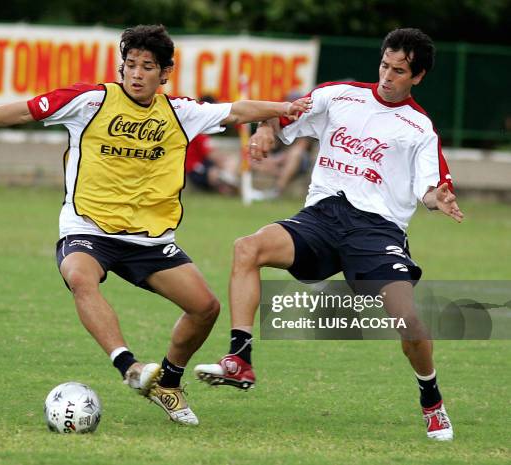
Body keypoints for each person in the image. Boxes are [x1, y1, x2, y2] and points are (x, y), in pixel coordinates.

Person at [0, 24, 310, 426]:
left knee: (205, 307)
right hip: (87, 228)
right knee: (80, 276)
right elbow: (25, 109)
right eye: (131, 65)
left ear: (165, 73)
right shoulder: (89, 101)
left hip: (150, 239)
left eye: (147, 67)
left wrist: (282, 110)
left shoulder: (180, 112)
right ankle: (131, 368)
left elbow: (238, 110)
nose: (136, 73)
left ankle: (168, 384)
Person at [195, 28, 463, 440]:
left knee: (407, 318)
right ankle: (240, 358)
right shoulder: (339, 95)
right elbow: (283, 115)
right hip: (321, 217)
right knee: (246, 248)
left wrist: (437, 199)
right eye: (384, 66)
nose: (388, 76)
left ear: (418, 76)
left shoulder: (419, 128)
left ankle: (431, 397)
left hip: (376, 230)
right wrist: (268, 131)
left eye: (399, 71)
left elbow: (429, 188)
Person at [185, 96, 239, 196]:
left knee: (226, 165)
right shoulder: (198, 130)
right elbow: (210, 154)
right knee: (217, 171)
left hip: (201, 164)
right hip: (194, 167)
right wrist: (224, 160)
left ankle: (228, 182)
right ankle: (229, 182)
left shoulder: (196, 127)